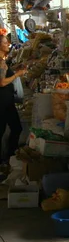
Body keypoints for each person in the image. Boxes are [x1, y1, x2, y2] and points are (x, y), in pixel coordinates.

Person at [0, 35, 25, 163]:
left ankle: (9, 157)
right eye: (5, 43)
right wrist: (17, 75)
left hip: (6, 102)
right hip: (3, 103)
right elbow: (2, 82)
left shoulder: (3, 61)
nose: (8, 44)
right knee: (15, 128)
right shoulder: (0, 61)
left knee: (9, 128)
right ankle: (9, 157)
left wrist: (14, 70)